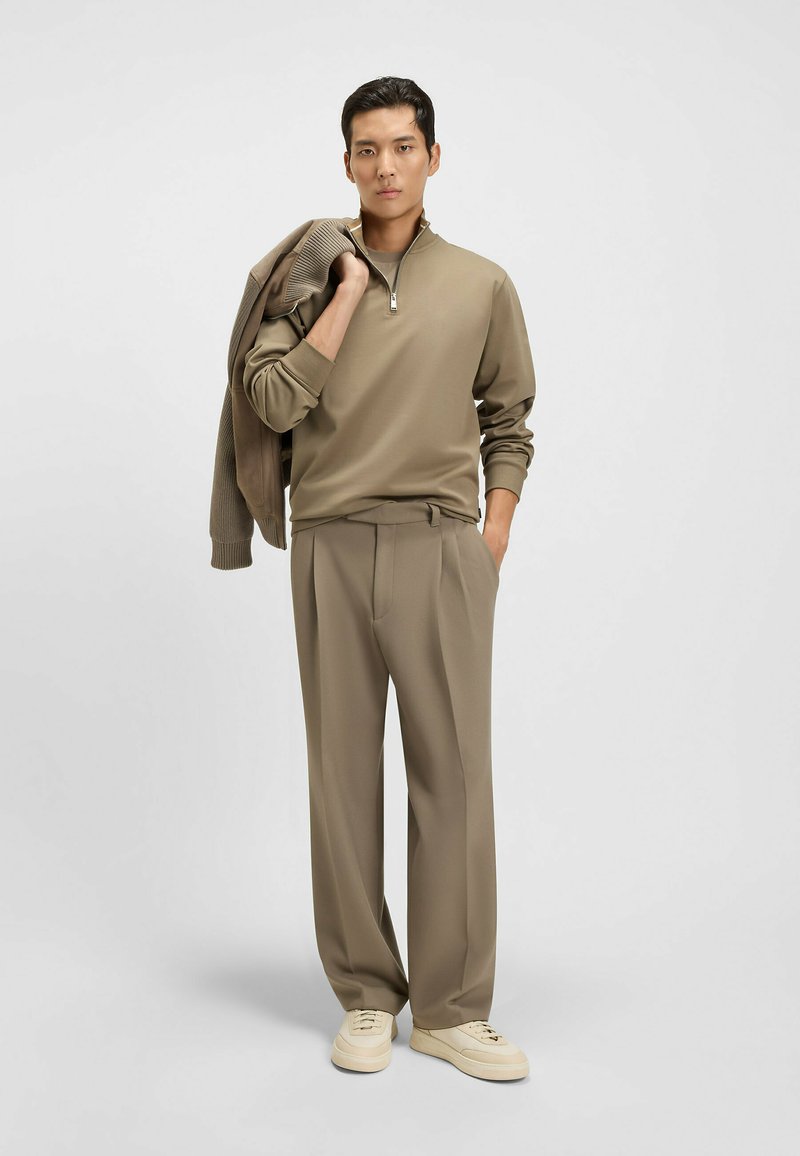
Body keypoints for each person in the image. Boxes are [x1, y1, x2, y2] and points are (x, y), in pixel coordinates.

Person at [242, 76, 536, 1081]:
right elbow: (273, 401)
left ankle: (452, 1008)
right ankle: (366, 995)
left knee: (452, 778)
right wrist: (344, 294)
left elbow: (508, 419)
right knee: (341, 778)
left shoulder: (482, 283)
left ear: (433, 158)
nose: (385, 167)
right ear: (346, 163)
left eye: (403, 146)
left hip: (442, 546)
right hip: (329, 543)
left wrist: (490, 537)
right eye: (366, 149)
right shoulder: (304, 278)